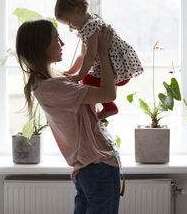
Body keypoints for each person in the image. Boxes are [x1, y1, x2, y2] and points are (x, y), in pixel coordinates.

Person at [15, 18, 123, 214]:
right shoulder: (54, 87)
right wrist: (104, 53)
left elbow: (81, 60)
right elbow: (109, 94)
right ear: (41, 46)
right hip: (97, 165)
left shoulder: (48, 80)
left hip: (88, 167)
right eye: (56, 39)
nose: (62, 43)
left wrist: (90, 43)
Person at [54, 0, 144, 120]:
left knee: (87, 80)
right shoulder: (86, 27)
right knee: (86, 81)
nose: (71, 27)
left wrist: (80, 75)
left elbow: (90, 55)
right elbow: (82, 54)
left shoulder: (91, 26)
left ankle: (110, 107)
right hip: (105, 64)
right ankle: (102, 108)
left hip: (116, 66)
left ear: (78, 11)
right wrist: (71, 71)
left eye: (69, 22)